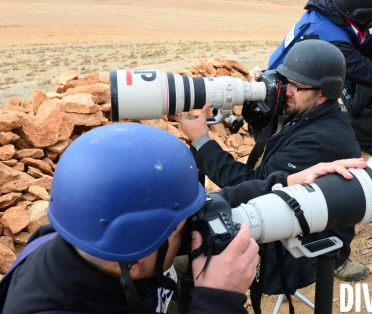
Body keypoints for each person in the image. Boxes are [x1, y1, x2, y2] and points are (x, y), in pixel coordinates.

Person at [0, 123, 259, 314]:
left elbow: (180, 207)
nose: (190, 229)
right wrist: (218, 300)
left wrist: (281, 183)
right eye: (180, 230)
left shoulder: (80, 236)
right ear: (134, 262)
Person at [172, 40, 369, 289]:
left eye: (296, 86)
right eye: (286, 81)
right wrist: (261, 116)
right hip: (293, 221)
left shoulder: (320, 139)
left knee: (180, 265)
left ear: (322, 93)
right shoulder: (313, 116)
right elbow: (275, 157)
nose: (286, 90)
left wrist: (202, 140)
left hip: (296, 249)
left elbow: (250, 184)